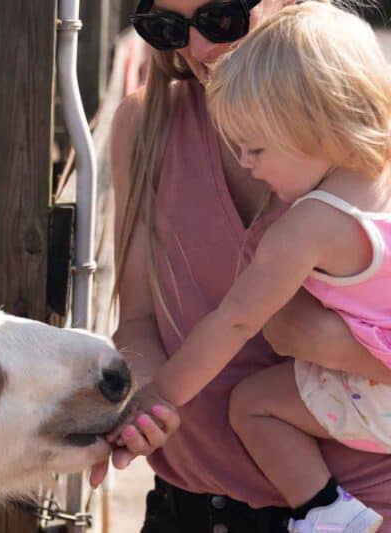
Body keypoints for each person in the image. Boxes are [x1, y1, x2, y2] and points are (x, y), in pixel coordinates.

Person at [89, 0, 391, 531]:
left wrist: (325, 340)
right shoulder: (147, 124)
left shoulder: (373, 130)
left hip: (367, 506)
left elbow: (248, 322)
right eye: (167, 28)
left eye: (220, 18)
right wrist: (145, 405)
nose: (198, 49)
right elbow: (138, 321)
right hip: (191, 504)